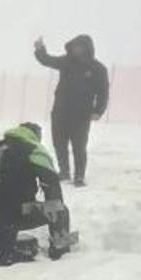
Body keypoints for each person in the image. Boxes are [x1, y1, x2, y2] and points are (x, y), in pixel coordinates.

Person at [0, 122, 72, 263]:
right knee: (62, 210)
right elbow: (50, 180)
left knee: (2, 248)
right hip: (19, 210)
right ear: (36, 135)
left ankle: (3, 249)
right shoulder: (34, 148)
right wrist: (54, 206)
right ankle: (60, 251)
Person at [34, 34, 109, 186]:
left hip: (81, 114)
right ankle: (64, 171)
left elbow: (103, 91)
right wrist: (40, 49)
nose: (76, 49)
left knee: (79, 146)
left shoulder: (98, 68)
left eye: (80, 46)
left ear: (87, 48)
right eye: (75, 46)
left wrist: (98, 110)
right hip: (60, 111)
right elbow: (47, 60)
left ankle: (79, 176)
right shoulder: (66, 62)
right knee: (59, 143)